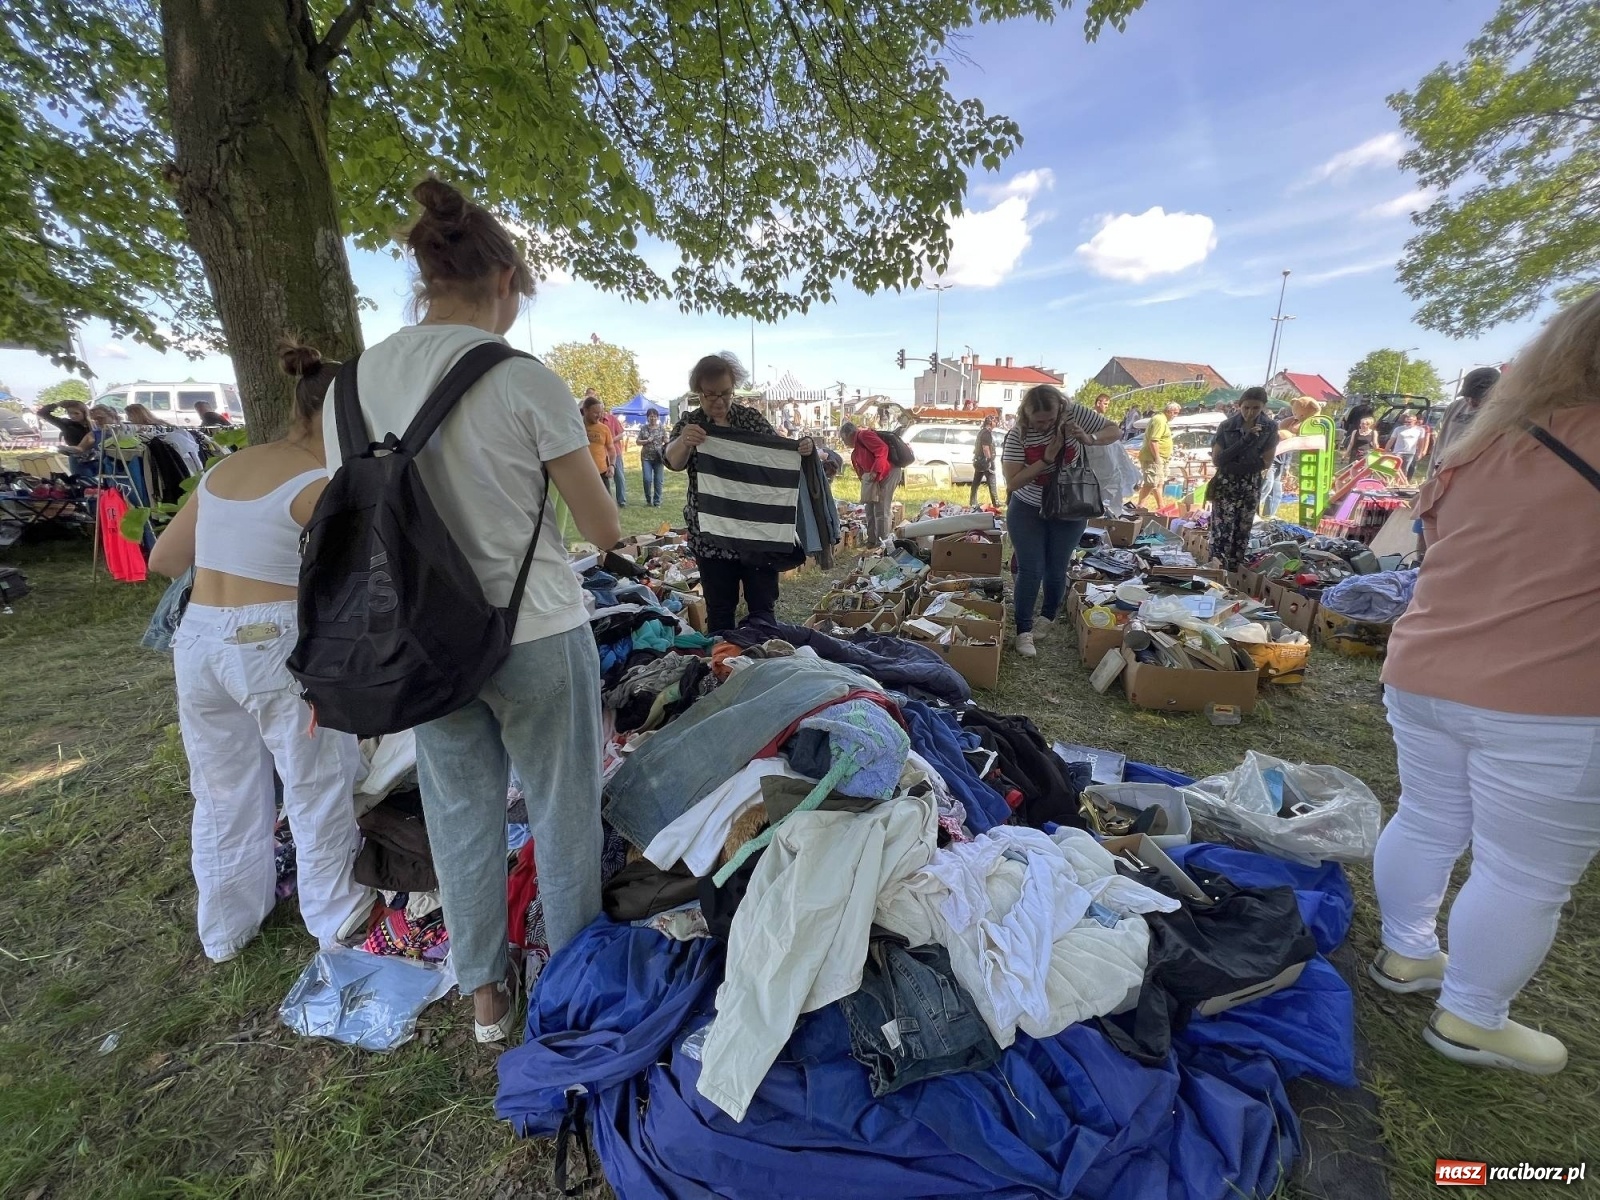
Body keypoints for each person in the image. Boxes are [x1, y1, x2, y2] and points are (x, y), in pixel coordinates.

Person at [323, 177, 621, 1042]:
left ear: (426, 280)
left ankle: (486, 995)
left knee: (460, 812)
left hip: (422, 638)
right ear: (504, 282)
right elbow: (604, 528)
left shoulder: (350, 386)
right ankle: (569, 986)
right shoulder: (524, 378)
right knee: (564, 810)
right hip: (536, 629)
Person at [1370, 293, 1600, 1077]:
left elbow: (1436, 548)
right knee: (1523, 872)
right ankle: (1471, 1016)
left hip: (1425, 667)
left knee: (1427, 816)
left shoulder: (1482, 444)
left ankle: (1406, 953)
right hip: (1553, 694)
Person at [148, 342, 373, 964]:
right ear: (349, 415)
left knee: (221, 788)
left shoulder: (227, 468)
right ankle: (335, 918)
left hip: (199, 639)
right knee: (316, 782)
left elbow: (164, 559)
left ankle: (225, 929)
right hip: (273, 639)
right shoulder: (323, 483)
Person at [664, 353, 813, 631]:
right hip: (712, 539)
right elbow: (672, 461)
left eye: (726, 393)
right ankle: (722, 657)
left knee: (762, 607)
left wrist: (800, 448)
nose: (719, 401)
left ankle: (760, 652)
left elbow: (777, 453)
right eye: (710, 395)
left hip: (756, 535)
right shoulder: (691, 423)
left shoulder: (750, 419)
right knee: (720, 611)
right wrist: (685, 441)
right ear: (698, 392)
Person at [1001, 384, 1120, 658]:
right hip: (1027, 507)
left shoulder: (1073, 413)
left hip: (1070, 506)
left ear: (1060, 410)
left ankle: (1047, 617)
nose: (1044, 426)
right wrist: (1046, 458)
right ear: (1026, 414)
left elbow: (1114, 430)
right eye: (1038, 421)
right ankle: (1023, 630)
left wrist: (1089, 438)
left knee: (1057, 567)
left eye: (1050, 420)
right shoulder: (1018, 434)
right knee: (1031, 569)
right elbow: (1013, 482)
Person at [1207, 386, 1278, 571]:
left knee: (1242, 530)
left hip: (1250, 483)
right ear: (1239, 405)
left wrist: (1233, 464)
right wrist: (1245, 441)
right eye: (1246, 407)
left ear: (1263, 407)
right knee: (1222, 530)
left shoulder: (1270, 427)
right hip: (1226, 483)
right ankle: (1217, 570)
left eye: (1256, 408)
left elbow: (1266, 462)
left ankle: (1234, 572)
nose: (1250, 412)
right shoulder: (1227, 426)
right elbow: (1217, 460)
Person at [838, 421, 900, 546]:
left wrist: (875, 470)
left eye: (843, 439)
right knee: (869, 508)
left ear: (849, 435)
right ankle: (872, 540)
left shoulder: (864, 435)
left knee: (881, 509)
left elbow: (882, 449)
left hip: (887, 473)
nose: (844, 442)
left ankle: (882, 543)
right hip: (874, 478)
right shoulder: (857, 448)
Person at [1432, 366, 1501, 469]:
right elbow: (1441, 441)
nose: (1471, 401)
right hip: (1442, 468)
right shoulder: (1454, 407)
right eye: (1468, 396)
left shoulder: (1502, 414)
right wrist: (1431, 473)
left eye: (1478, 397)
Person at [1134, 401, 1178, 509]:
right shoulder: (1159, 420)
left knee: (1159, 483)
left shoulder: (1163, 420)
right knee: (1151, 483)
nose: (1176, 416)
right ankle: (1140, 506)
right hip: (1153, 458)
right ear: (1169, 411)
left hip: (1161, 458)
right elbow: (1153, 441)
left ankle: (1161, 507)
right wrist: (1157, 457)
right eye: (1175, 413)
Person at [591, 389, 627, 507]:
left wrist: (610, 440)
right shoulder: (594, 422)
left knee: (619, 476)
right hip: (601, 455)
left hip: (614, 452)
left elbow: (622, 434)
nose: (599, 413)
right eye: (597, 411)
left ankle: (621, 501)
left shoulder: (612, 419)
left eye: (601, 410)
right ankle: (604, 501)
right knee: (602, 478)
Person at [637, 407, 668, 507]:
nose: (652, 418)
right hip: (646, 458)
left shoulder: (661, 428)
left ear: (657, 417)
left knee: (658, 480)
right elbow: (638, 441)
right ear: (647, 417)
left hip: (658, 458)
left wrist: (667, 441)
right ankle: (648, 500)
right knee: (647, 479)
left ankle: (657, 501)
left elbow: (666, 440)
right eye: (650, 416)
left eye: (654, 416)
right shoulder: (643, 428)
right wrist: (647, 441)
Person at [969, 414, 999, 507]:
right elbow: (985, 448)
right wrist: (989, 459)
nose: (996, 423)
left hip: (979, 460)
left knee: (976, 482)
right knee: (992, 481)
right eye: (995, 421)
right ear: (990, 422)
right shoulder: (986, 433)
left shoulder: (981, 432)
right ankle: (996, 502)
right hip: (985, 461)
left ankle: (972, 502)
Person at [582, 397, 614, 483]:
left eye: (600, 412)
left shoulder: (604, 429)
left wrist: (612, 465)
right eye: (596, 413)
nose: (599, 416)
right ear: (585, 410)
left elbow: (611, 449)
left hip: (602, 473)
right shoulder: (577, 428)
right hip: (582, 474)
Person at [1388, 412, 1426, 478]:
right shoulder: (1398, 429)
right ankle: (1394, 481)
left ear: (1415, 421)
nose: (1407, 423)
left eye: (1409, 422)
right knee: (1396, 469)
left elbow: (1421, 442)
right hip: (1398, 452)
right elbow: (1391, 440)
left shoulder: (1420, 430)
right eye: (1406, 422)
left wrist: (1420, 453)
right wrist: (1386, 450)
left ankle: (1401, 482)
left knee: (1405, 469)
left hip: (1410, 453)